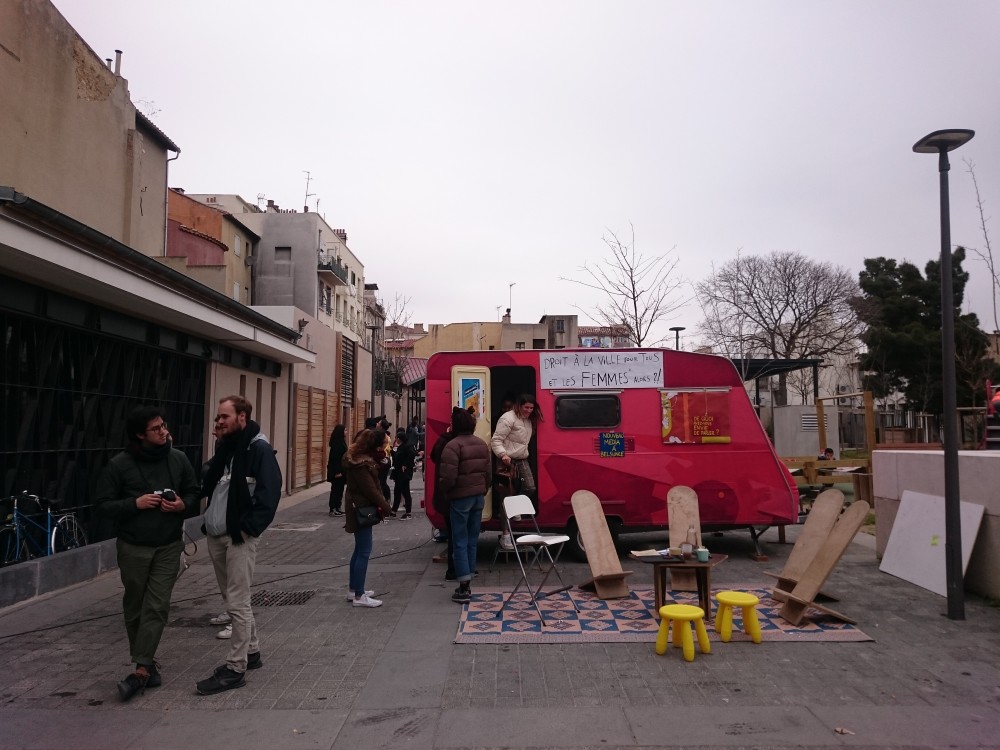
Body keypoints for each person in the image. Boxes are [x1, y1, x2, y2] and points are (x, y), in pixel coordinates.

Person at [95, 405, 200, 702]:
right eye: (157, 428)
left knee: (156, 605)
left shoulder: (178, 459)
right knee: (135, 605)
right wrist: (134, 504)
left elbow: (194, 492)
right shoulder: (119, 465)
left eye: (164, 425)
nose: (164, 431)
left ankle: (141, 669)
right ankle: (147, 664)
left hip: (168, 545)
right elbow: (102, 505)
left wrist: (181, 505)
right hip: (133, 547)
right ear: (140, 434)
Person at [195, 396, 282, 696]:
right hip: (217, 536)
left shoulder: (257, 449)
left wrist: (247, 529)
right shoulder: (227, 449)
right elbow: (212, 487)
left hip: (238, 538)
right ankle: (253, 652)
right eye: (217, 417)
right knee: (233, 598)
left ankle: (235, 667)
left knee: (237, 601)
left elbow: (269, 495)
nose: (218, 422)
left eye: (224, 417)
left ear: (242, 417)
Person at [438, 408, 491, 603]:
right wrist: (482, 489)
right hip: (478, 496)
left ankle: (463, 586)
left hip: (460, 498)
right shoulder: (481, 444)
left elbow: (448, 477)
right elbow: (488, 473)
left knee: (459, 540)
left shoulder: (452, 446)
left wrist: (446, 492)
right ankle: (469, 573)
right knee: (471, 539)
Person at [343, 428, 395, 607]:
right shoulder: (362, 465)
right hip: (362, 508)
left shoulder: (358, 460)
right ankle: (359, 596)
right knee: (364, 550)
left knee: (359, 549)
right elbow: (371, 490)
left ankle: (354, 589)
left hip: (358, 505)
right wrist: (387, 507)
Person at [490, 393, 542, 549]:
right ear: (519, 405)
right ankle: (505, 535)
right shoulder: (508, 418)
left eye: (532, 408)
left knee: (530, 487)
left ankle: (516, 507)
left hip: (521, 459)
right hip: (507, 460)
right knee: (506, 497)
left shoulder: (527, 419)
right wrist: (503, 454)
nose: (529, 410)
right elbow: (496, 440)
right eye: (526, 407)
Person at [390, 428, 416, 519]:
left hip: (404, 473)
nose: (395, 439)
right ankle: (393, 511)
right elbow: (397, 458)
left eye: (396, 437)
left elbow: (412, 455)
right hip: (398, 473)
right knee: (397, 491)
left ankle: (408, 512)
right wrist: (392, 451)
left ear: (399, 438)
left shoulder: (406, 447)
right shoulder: (401, 447)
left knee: (405, 491)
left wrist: (405, 464)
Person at [327, 424, 348, 517]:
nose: (346, 432)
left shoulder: (341, 441)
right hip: (337, 471)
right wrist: (337, 472)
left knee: (340, 489)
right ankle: (333, 508)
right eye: (345, 430)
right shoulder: (337, 443)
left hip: (342, 470)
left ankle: (338, 507)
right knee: (335, 489)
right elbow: (335, 459)